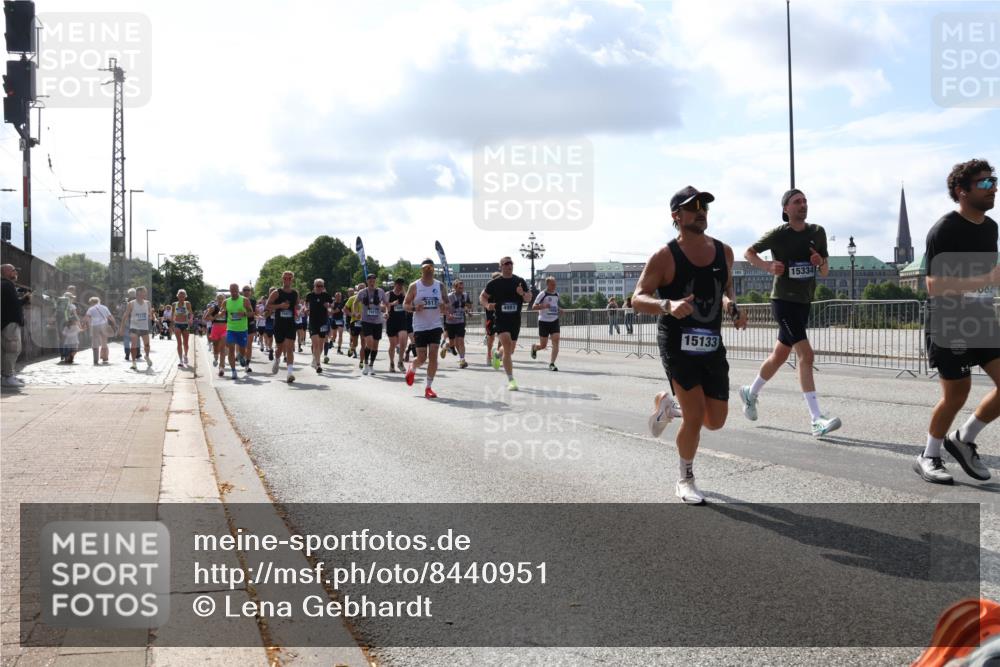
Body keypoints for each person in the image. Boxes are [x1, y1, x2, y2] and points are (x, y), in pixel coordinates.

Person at [633, 186, 747, 505]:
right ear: (676, 216)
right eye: (693, 206)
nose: (701, 211)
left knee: (715, 420)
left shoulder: (724, 251)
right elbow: (637, 298)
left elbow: (726, 287)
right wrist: (667, 305)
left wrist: (731, 305)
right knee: (696, 417)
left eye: (704, 206)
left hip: (711, 344)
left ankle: (670, 407)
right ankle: (685, 478)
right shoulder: (665, 256)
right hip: (678, 344)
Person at [913, 159, 999, 484]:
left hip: (982, 317)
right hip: (949, 321)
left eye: (994, 181)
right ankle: (928, 455)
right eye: (986, 183)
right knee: (957, 395)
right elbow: (933, 285)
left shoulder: (991, 228)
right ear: (962, 192)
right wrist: (983, 279)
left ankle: (963, 438)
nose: (994, 188)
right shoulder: (943, 230)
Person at [737, 188, 841, 437]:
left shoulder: (818, 232)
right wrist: (767, 265)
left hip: (804, 302)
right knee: (806, 355)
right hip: (782, 301)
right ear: (786, 209)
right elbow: (748, 252)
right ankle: (816, 419)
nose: (803, 205)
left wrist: (820, 262)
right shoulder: (779, 234)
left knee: (779, 356)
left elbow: (825, 272)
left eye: (805, 201)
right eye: (797, 202)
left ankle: (751, 393)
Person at [481, 257, 531, 391]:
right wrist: (487, 305)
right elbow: (483, 296)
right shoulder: (494, 283)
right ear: (501, 267)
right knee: (508, 346)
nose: (509, 265)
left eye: (511, 263)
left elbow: (528, 298)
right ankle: (511, 380)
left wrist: (523, 293)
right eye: (506, 263)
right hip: (501, 319)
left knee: (510, 349)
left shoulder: (519, 281)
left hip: (515, 320)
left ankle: (497, 353)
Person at [404, 259, 448, 398]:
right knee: (422, 358)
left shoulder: (439, 286)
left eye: (430, 268)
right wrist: (414, 308)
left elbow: (447, 304)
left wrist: (444, 307)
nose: (428, 270)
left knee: (434, 354)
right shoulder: (414, 286)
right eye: (425, 268)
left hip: (435, 325)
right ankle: (413, 367)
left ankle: (428, 388)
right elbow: (405, 304)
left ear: (434, 269)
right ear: (421, 270)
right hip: (420, 326)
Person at [266, 271, 299, 382]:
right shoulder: (276, 292)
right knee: (279, 347)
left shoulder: (295, 293)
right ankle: (276, 359)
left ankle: (290, 373)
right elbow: (268, 305)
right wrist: (280, 305)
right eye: (285, 278)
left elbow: (296, 306)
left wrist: (297, 311)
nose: (287, 280)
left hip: (290, 324)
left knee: (290, 348)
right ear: (282, 279)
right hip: (279, 324)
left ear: (292, 280)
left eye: (289, 278)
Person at [1, 264, 30, 387]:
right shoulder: (7, 285)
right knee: (14, 349)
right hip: (10, 323)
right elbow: (15, 305)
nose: (16, 273)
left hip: (4, 323)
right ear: (7, 272)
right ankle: (8, 377)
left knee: (4, 351)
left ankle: (5, 376)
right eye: (14, 270)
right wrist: (26, 298)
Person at [356, 274, 387, 376]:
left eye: (374, 280)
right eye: (370, 280)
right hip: (366, 321)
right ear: (367, 281)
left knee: (375, 346)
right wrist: (356, 312)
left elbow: (386, 304)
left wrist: (386, 312)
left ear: (375, 281)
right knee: (369, 343)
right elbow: (355, 303)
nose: (372, 282)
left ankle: (371, 366)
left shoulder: (381, 291)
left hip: (378, 321)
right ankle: (365, 365)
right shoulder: (362, 292)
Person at [119, 286, 156, 370]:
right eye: (143, 292)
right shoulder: (131, 303)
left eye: (145, 292)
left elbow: (150, 314)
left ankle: (146, 356)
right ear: (138, 293)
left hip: (144, 327)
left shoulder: (148, 303)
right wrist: (122, 328)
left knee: (147, 345)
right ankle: (133, 362)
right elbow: (125, 316)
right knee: (134, 345)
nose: (145, 294)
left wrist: (152, 316)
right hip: (134, 327)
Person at [531, 276, 563, 371]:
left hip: (554, 321)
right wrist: (543, 306)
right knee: (543, 345)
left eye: (555, 284)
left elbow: (555, 306)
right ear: (547, 284)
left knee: (556, 341)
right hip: (543, 321)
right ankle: (535, 348)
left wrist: (559, 309)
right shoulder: (542, 294)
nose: (554, 286)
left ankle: (552, 363)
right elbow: (534, 307)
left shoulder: (557, 294)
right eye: (552, 284)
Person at [223, 283, 253, 380]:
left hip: (242, 329)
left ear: (238, 290)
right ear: (229, 291)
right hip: (231, 329)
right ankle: (233, 371)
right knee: (231, 348)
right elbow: (222, 311)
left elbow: (252, 313)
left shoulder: (245, 300)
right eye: (232, 291)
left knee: (243, 350)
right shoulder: (226, 301)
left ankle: (241, 356)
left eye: (235, 291)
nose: (234, 293)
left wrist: (244, 313)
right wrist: (219, 313)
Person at [305, 278, 333, 373]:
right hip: (313, 322)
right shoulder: (310, 295)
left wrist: (328, 306)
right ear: (314, 286)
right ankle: (318, 365)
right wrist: (306, 309)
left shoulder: (326, 295)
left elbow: (332, 305)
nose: (319, 288)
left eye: (321, 286)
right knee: (316, 344)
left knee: (321, 345)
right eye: (318, 286)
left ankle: (315, 359)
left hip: (323, 322)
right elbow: (306, 304)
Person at [442, 280, 471, 368]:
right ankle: (446, 347)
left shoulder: (465, 295)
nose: (461, 289)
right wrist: (448, 314)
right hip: (450, 322)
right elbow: (443, 307)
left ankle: (462, 360)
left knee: (461, 341)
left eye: (462, 288)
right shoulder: (449, 296)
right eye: (459, 288)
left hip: (460, 321)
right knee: (452, 343)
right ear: (455, 287)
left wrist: (468, 312)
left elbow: (467, 306)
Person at [84, 296, 115, 365]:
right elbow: (110, 317)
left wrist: (86, 325)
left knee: (95, 342)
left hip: (95, 326)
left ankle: (95, 360)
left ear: (91, 302)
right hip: (104, 325)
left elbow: (87, 318)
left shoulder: (91, 309)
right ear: (98, 301)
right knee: (104, 342)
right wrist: (114, 323)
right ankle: (105, 357)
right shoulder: (104, 307)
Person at [385, 278, 408, 372]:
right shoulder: (388, 294)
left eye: (401, 284)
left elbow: (409, 303)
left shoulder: (404, 294)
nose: (400, 286)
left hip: (402, 321)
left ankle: (400, 362)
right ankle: (391, 363)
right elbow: (383, 306)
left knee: (403, 342)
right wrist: (392, 304)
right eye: (398, 284)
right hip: (391, 321)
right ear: (395, 284)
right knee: (393, 345)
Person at [483, 271, 501, 366]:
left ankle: (498, 353)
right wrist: (487, 305)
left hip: (502, 317)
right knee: (491, 338)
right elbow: (482, 298)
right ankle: (489, 355)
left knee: (502, 336)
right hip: (491, 317)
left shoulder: (503, 289)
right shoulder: (488, 289)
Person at [172, 289, 192, 368]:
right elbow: (173, 314)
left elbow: (191, 313)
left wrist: (190, 319)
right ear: (177, 296)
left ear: (185, 296)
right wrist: (172, 322)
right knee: (179, 343)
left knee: (186, 343)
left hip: (185, 324)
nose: (181, 297)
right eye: (180, 296)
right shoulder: (174, 304)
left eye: (183, 296)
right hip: (177, 324)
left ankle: (185, 355)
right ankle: (180, 360)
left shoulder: (187, 304)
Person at [330, 291, 346, 357]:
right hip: (334, 320)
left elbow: (335, 311)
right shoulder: (333, 303)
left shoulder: (342, 303)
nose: (338, 297)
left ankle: (339, 348)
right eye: (337, 296)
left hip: (340, 319)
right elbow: (331, 310)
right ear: (335, 296)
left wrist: (332, 311)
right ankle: (331, 342)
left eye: (339, 296)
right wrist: (331, 309)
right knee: (334, 336)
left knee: (340, 335)